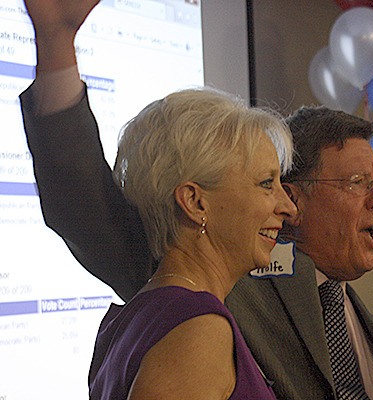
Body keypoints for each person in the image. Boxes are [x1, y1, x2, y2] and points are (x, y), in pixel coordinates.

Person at [20, 2, 373, 399]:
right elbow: (90, 214)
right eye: (357, 182)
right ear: (297, 197)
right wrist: (57, 50)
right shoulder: (220, 287)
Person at [22, 2, 298, 399]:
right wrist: (56, 41)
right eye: (266, 184)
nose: (288, 208)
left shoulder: (149, 313)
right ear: (194, 202)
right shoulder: (196, 328)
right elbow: (80, 203)